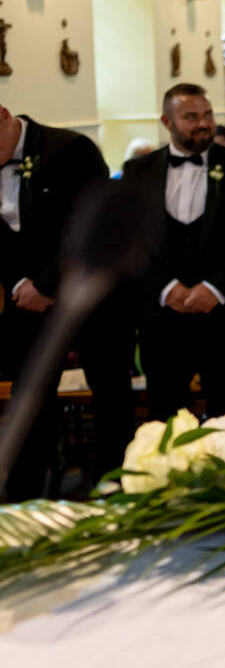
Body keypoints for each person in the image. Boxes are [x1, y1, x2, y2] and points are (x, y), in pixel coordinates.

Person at [0, 106, 136, 499]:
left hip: (96, 301)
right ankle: (26, 497)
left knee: (110, 396)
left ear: (6, 117)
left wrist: (46, 285)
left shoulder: (72, 149)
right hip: (26, 304)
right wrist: (21, 285)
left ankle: (114, 490)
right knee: (30, 401)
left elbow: (91, 229)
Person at [122, 84, 225, 420]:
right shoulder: (137, 171)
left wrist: (215, 287)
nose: (204, 123)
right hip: (161, 321)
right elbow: (129, 241)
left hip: (222, 318)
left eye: (208, 114)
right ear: (167, 122)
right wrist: (165, 288)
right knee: (165, 417)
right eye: (191, 117)